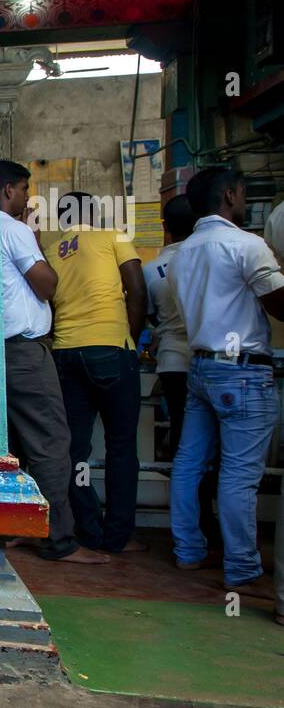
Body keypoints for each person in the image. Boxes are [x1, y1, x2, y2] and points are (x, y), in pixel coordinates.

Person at [169, 168, 284, 609]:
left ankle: (188, 552)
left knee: (189, 461)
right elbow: (279, 303)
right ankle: (242, 570)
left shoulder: (181, 253)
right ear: (231, 195)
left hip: (201, 366)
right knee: (238, 475)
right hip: (241, 372)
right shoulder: (246, 245)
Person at [0, 162, 107, 565]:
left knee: (12, 446)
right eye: (25, 189)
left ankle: (17, 529)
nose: (28, 197)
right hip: (25, 352)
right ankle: (58, 539)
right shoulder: (15, 230)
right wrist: (38, 246)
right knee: (51, 443)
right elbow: (47, 284)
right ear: (8, 190)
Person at [40, 190, 147, 555]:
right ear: (96, 213)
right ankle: (116, 537)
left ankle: (89, 528)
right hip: (110, 350)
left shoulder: (52, 251)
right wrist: (129, 340)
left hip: (66, 354)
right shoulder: (113, 236)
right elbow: (137, 289)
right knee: (120, 447)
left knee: (75, 450)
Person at [143, 195, 220, 542]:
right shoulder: (214, 257)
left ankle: (189, 531)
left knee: (184, 446)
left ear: (165, 227)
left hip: (172, 362)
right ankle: (211, 523)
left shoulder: (150, 270)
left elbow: (146, 317)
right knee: (219, 449)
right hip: (212, 359)